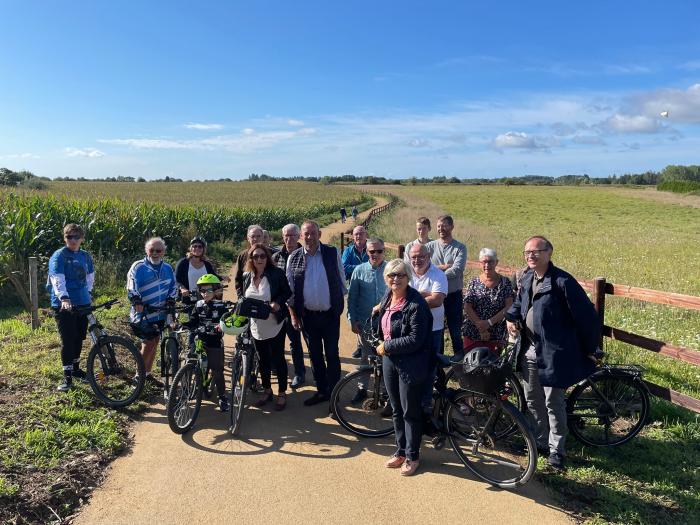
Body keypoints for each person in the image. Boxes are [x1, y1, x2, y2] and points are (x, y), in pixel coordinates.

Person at [506, 235, 600, 470]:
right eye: (527, 252)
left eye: (536, 251)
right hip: (528, 351)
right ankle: (540, 442)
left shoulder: (562, 282)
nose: (531, 255)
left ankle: (557, 451)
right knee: (533, 400)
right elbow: (520, 304)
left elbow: (587, 317)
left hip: (552, 355)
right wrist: (511, 317)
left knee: (553, 402)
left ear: (549, 253)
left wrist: (591, 349)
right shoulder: (527, 277)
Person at [374, 259, 432, 476]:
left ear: (408, 277)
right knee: (397, 409)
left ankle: (413, 455)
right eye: (391, 275)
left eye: (400, 275)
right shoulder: (388, 298)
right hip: (390, 360)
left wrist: (387, 345)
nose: (395, 279)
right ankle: (400, 450)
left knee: (410, 412)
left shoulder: (416, 304)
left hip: (411, 363)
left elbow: (416, 339)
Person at [286, 220, 347, 407]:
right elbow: (290, 291)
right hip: (308, 316)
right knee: (315, 355)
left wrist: (339, 301)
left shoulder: (332, 252)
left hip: (329, 315)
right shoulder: (293, 257)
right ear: (301, 236)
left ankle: (334, 394)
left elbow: (341, 277)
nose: (310, 237)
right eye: (306, 234)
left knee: (332, 353)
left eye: (313, 233)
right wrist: (294, 315)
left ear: (319, 234)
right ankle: (322, 391)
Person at [243, 244, 293, 410]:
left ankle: (282, 392)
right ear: (251, 259)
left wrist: (277, 303)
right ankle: (267, 390)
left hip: (274, 323)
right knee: (263, 359)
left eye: (262, 256)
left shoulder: (276, 273)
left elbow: (287, 292)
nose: (259, 259)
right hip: (256, 324)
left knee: (278, 358)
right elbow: (243, 296)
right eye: (255, 256)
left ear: (267, 257)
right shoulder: (247, 276)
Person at [47, 223, 95, 392]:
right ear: (65, 238)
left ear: (82, 238)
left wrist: (88, 293)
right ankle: (67, 377)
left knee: (79, 337)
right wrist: (64, 298)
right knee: (68, 340)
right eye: (69, 237)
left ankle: (76, 369)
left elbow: (90, 275)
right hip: (64, 304)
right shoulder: (59, 256)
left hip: (82, 301)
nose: (73, 240)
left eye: (76, 237)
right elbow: (57, 278)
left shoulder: (85, 256)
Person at [127, 237, 178, 387]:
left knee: (155, 341)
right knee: (148, 342)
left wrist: (171, 300)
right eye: (151, 250)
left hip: (161, 312)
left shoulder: (168, 268)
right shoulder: (138, 266)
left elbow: (173, 287)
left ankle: (147, 374)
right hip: (143, 312)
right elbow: (131, 285)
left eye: (159, 250)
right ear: (146, 250)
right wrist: (136, 299)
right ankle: (138, 376)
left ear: (163, 252)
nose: (155, 253)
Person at [408, 243, 448, 412]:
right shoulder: (406, 274)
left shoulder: (438, 275)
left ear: (428, 256)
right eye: (414, 257)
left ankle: (426, 403)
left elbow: (437, 300)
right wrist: (425, 296)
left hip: (433, 329)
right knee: (410, 365)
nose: (417, 260)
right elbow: (398, 296)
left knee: (429, 367)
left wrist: (411, 300)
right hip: (409, 329)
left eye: (421, 256)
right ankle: (411, 401)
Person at [347, 238, 388, 402]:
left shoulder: (391, 269)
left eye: (379, 251)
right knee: (366, 357)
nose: (376, 254)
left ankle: (385, 391)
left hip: (388, 325)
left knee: (386, 358)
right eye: (372, 251)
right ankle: (362, 388)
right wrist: (352, 319)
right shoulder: (359, 270)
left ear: (384, 251)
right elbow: (352, 298)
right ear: (367, 252)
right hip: (366, 324)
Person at [186, 274, 230, 412]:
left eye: (208, 290)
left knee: (217, 370)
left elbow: (226, 320)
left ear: (217, 290)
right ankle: (187, 389)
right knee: (190, 361)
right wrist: (183, 325)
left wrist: (220, 326)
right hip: (200, 338)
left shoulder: (222, 305)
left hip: (214, 340)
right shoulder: (198, 304)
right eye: (202, 290)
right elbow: (193, 320)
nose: (205, 293)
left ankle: (222, 397)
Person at [272, 223, 306, 388]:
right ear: (282, 237)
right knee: (281, 342)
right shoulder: (276, 257)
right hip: (280, 307)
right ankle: (286, 371)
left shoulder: (305, 255)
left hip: (301, 306)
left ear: (299, 236)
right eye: (286, 235)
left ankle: (301, 373)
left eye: (293, 235)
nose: (289, 238)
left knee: (300, 342)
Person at [462, 248, 514, 353]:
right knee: (471, 365)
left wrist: (489, 323)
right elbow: (467, 306)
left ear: (496, 262)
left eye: (490, 261)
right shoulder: (474, 282)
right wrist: (481, 326)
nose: (487, 265)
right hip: (473, 331)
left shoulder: (505, 282)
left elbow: (509, 306)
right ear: (480, 263)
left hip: (496, 333)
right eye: (484, 262)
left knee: (492, 366)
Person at [428, 215, 466, 358]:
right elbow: (424, 267)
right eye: (438, 226)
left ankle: (460, 364)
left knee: (455, 331)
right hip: (435, 295)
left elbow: (457, 269)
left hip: (453, 295)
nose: (440, 229)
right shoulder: (430, 247)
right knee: (437, 330)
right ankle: (439, 363)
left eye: (444, 226)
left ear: (452, 227)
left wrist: (435, 271)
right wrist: (442, 268)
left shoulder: (460, 248)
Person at [235, 224, 264, 298]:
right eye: (253, 236)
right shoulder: (242, 256)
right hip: (248, 297)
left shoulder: (271, 254)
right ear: (248, 238)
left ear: (263, 237)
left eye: (258, 236)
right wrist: (240, 296)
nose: (255, 239)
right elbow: (238, 278)